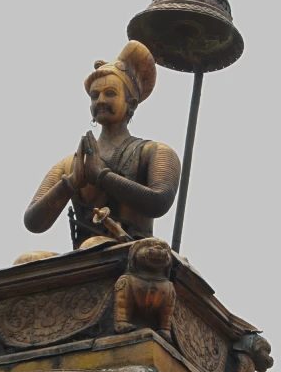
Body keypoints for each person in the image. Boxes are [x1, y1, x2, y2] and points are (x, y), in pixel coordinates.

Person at [24, 41, 181, 250]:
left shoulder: (154, 152)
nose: (100, 101)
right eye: (94, 96)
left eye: (110, 93)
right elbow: (33, 222)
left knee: (95, 245)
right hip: (83, 255)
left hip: (132, 252)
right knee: (28, 259)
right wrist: (70, 183)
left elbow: (159, 201)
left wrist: (102, 176)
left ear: (131, 103)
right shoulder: (71, 164)